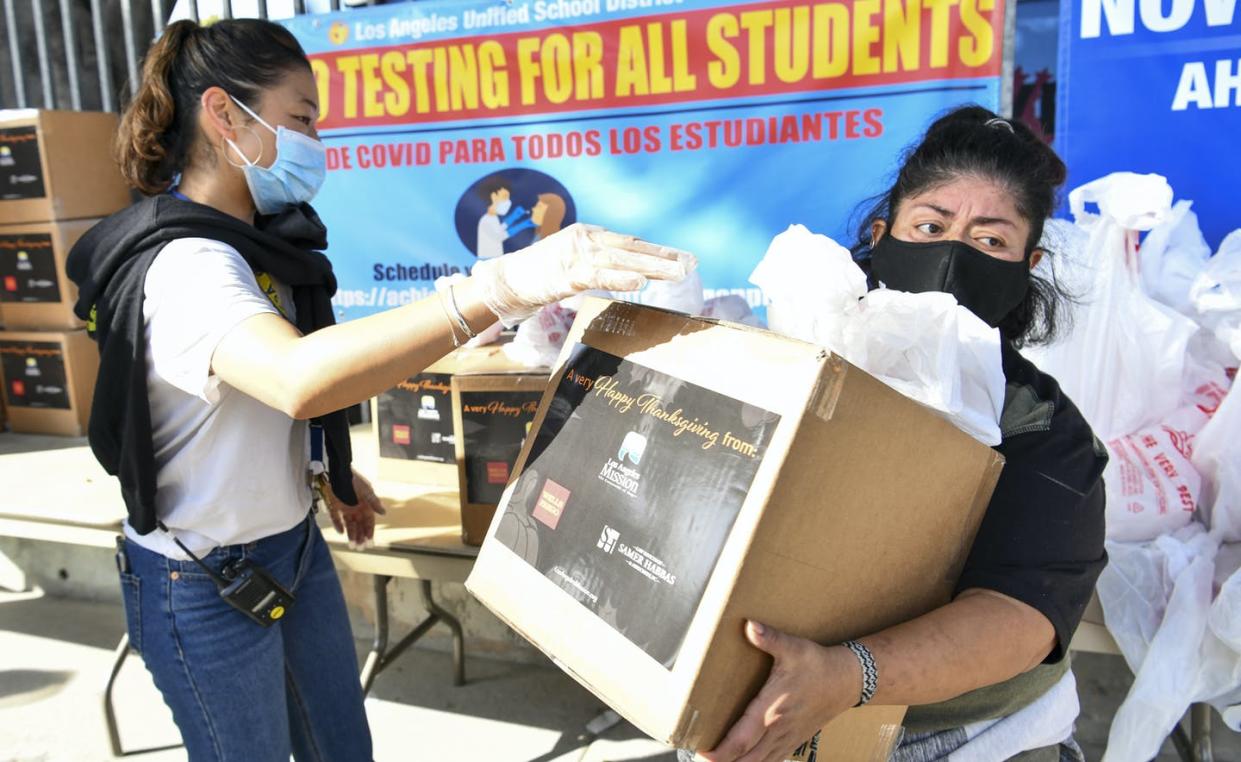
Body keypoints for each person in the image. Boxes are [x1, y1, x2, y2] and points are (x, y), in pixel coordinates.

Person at [66, 18, 689, 762]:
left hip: (288, 548)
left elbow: (244, 400)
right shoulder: (188, 265)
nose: (312, 141)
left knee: (340, 748)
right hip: (204, 579)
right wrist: (497, 288)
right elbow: (297, 377)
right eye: (299, 118)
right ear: (224, 113)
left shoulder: (257, 243)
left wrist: (322, 466)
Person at [698, 106, 1107, 762]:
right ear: (880, 234)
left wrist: (847, 675)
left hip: (965, 733)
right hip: (759, 706)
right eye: (931, 226)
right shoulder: (796, 360)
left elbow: (1023, 614)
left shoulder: (1040, 426)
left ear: (1024, 265)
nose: (953, 256)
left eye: (990, 241)